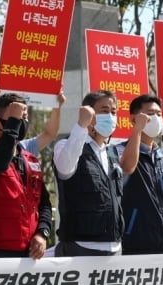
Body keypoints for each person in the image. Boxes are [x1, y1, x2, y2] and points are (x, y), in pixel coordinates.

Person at [0, 93, 52, 259]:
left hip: (30, 253)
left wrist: (42, 233)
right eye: (15, 117)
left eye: (24, 117)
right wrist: (13, 124)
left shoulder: (31, 160)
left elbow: (44, 204)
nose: (21, 122)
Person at [53, 90, 125, 258]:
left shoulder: (112, 152)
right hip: (81, 247)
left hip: (114, 247)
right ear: (89, 113)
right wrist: (80, 126)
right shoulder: (66, 145)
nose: (111, 116)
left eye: (113, 112)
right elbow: (64, 167)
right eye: (104, 111)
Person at [117, 94, 163, 255]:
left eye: (159, 114)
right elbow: (127, 167)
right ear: (133, 120)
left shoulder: (162, 155)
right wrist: (137, 131)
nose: (156, 119)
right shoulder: (120, 151)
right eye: (150, 114)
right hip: (135, 244)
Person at [0, 82, 66, 156]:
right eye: (14, 117)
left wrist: (57, 106)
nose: (19, 122)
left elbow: (50, 134)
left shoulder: (25, 148)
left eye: (24, 117)